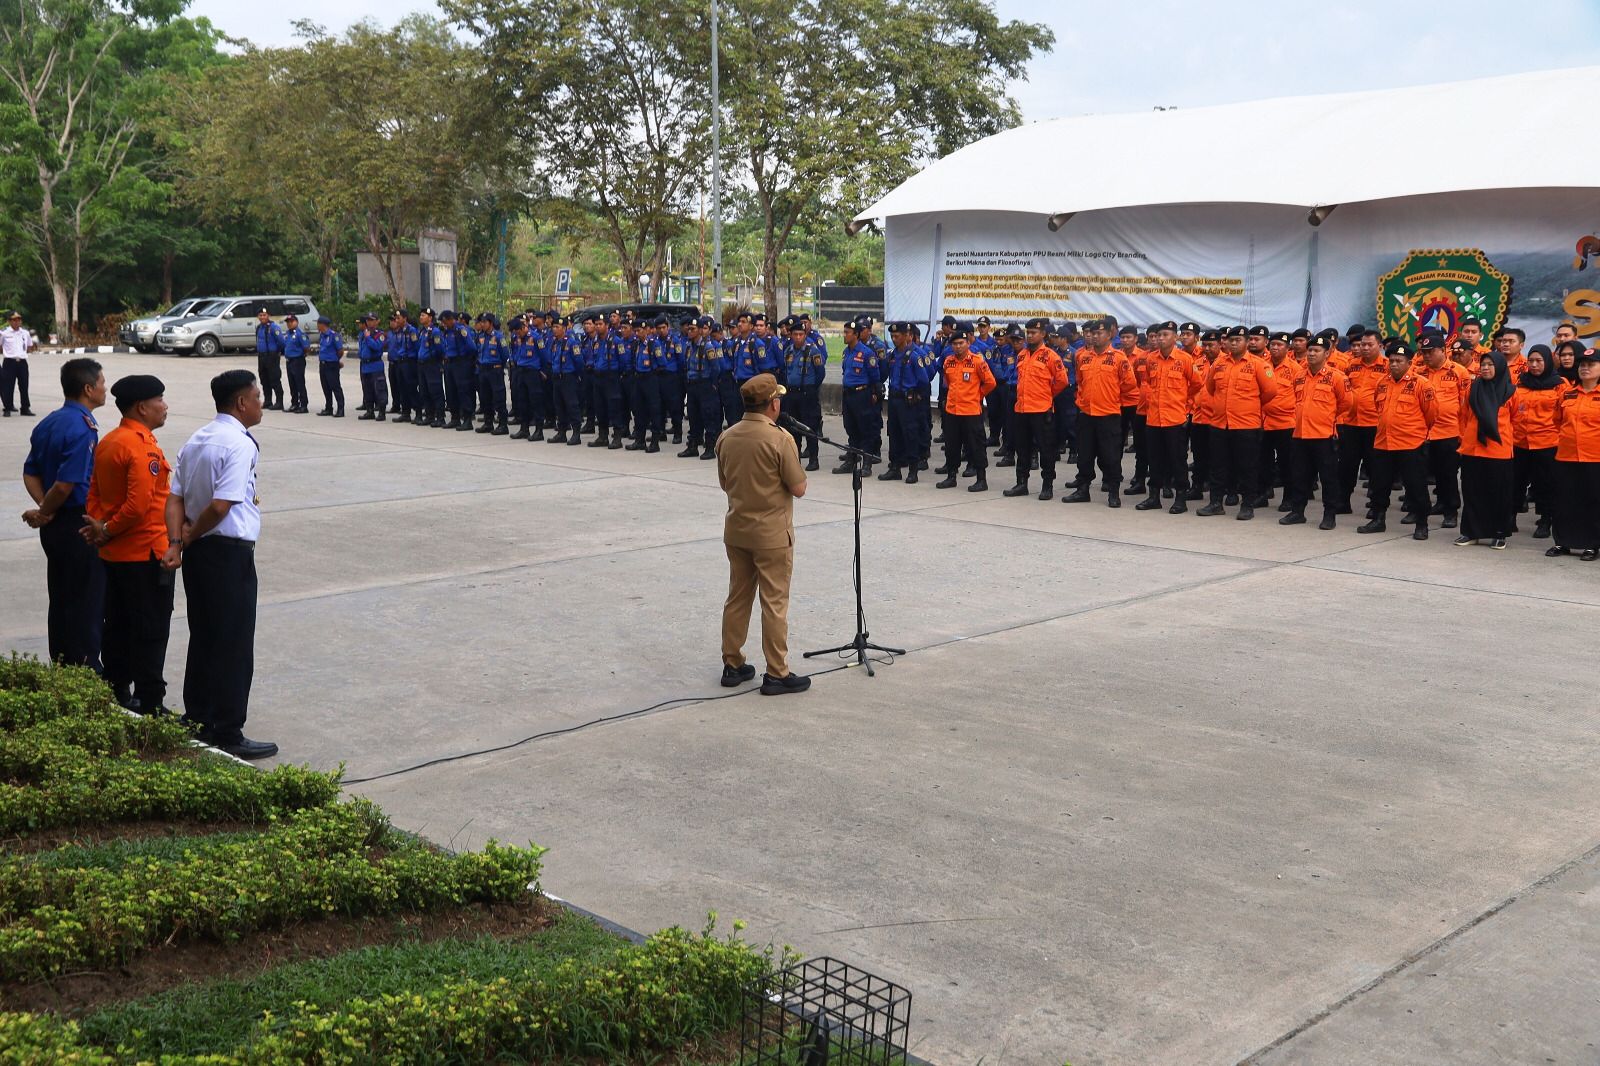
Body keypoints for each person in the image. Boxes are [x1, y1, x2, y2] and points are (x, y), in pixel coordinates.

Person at [167, 369, 276, 759]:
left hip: (199, 554)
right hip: (227, 553)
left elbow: (175, 498)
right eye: (257, 397)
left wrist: (178, 541)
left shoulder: (197, 438)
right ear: (241, 403)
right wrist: (190, 536)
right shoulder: (239, 444)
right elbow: (220, 505)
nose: (261, 404)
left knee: (205, 635)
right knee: (233, 642)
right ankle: (228, 729)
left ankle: (198, 717)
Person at [82, 374, 175, 713]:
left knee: (118, 625)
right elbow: (138, 507)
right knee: (151, 629)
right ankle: (151, 700)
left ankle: (117, 690)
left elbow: (94, 493)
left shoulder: (109, 441)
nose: (165, 406)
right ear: (142, 407)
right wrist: (106, 529)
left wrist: (100, 527)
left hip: (114, 555)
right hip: (145, 553)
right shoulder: (140, 446)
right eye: (159, 400)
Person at [716, 373, 809, 696]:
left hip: (737, 530)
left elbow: (725, 483)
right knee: (774, 603)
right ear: (773, 404)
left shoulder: (727, 436)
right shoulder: (780, 439)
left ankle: (732, 663)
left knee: (737, 598)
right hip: (771, 535)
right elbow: (799, 487)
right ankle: (777, 672)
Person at [21, 357, 106, 668]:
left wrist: (45, 512)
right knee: (86, 600)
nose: (105, 388)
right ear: (88, 389)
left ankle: (61, 665)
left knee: (61, 597)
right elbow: (66, 484)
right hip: (77, 523)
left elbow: (30, 473)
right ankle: (85, 669)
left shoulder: (49, 422)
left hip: (55, 523)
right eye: (102, 383)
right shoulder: (83, 428)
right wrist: (47, 508)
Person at [1359, 339, 1437, 539]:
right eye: (1391, 360)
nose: (1394, 364)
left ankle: (1421, 524)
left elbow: (1431, 414)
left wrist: (1416, 433)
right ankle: (1378, 519)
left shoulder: (1421, 384)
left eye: (1398, 361)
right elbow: (1379, 409)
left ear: (1409, 363)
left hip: (1410, 444)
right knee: (1380, 484)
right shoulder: (1382, 383)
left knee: (1416, 486)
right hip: (1383, 442)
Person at [1198, 327, 1279, 520]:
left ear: (1247, 342)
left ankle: (1247, 505)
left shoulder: (1258, 365)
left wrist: (1248, 406)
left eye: (1238, 340)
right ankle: (1216, 503)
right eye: (1231, 340)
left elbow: (1270, 392)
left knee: (1247, 467)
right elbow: (1210, 388)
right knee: (1218, 466)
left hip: (1246, 425)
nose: (1233, 343)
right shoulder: (1219, 364)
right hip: (1220, 424)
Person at [1064, 319, 1137, 506]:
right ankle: (1083, 490)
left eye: (1099, 333)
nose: (1094, 336)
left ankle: (1113, 492)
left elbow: (1128, 385)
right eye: (1092, 333)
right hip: (1086, 414)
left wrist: (1111, 399)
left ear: (1109, 335)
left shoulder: (1119, 358)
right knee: (1085, 455)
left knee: (1110, 456)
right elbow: (1080, 381)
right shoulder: (1083, 357)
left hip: (1108, 415)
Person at [1282, 334, 1349, 528]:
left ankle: (1329, 515)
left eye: (1316, 350)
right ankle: (1297, 511)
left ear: (1327, 353)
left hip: (1324, 436)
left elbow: (1346, 403)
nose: (1311, 353)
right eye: (1310, 350)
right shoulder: (1299, 376)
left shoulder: (1336, 377)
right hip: (1300, 434)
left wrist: (1326, 417)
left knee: (1328, 478)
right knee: (1299, 475)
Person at [1136, 321, 1201, 513]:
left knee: (1177, 459)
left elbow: (1196, 385)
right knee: (1154, 458)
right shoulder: (1151, 359)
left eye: (1165, 335)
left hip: (1175, 419)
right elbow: (1148, 382)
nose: (1161, 338)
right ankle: (1153, 496)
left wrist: (1184, 404)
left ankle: (1180, 497)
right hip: (1153, 418)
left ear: (1175, 337)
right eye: (1159, 335)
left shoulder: (1184, 359)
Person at [1454, 350, 1516, 549]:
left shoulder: (1511, 392)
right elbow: (1463, 416)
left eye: (1490, 365)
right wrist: (1466, 437)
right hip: (1473, 449)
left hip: (1499, 451)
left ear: (1500, 367)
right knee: (1472, 492)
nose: (1486, 368)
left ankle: (1499, 533)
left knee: (1498, 494)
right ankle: (1471, 532)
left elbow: (1517, 420)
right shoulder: (1473, 389)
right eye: (1483, 365)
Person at [1005, 318, 1069, 500]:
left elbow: (1062, 381)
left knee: (1046, 449)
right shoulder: (1022, 354)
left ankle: (1047, 485)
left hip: (1041, 410)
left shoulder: (1051, 356)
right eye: (1028, 332)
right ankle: (1021, 483)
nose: (1030, 336)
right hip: (1022, 409)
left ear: (1043, 334)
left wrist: (1046, 395)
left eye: (1034, 332)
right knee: (1022, 448)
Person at [1548, 348, 1600, 562]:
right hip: (1566, 456)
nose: (1585, 368)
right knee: (1564, 500)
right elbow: (1557, 420)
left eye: (1591, 364)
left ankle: (1591, 544)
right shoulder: (1568, 393)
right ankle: (1562, 542)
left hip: (1594, 457)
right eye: (1582, 365)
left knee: (1592, 500)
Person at [1417, 331, 1472, 528]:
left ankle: (1451, 510)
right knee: (1424, 473)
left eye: (1430, 351)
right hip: (1423, 432)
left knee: (1448, 474)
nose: (1426, 355)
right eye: (1424, 352)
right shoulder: (1419, 372)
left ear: (1443, 350)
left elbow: (1466, 405)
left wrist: (1463, 434)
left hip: (1449, 431)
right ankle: (1434, 505)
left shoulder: (1459, 372)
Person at [935, 323, 996, 492]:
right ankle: (951, 476)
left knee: (976, 445)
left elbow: (990, 382)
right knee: (952, 445)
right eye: (955, 344)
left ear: (968, 343)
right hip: (952, 410)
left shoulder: (977, 361)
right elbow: (948, 382)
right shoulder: (949, 362)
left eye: (961, 343)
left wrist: (978, 395)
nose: (958, 346)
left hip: (971, 411)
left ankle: (981, 479)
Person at [1512, 344, 1563, 539]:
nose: (1534, 365)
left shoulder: (1559, 384)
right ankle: (1511, 517)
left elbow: (1564, 414)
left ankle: (1545, 520)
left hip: (1547, 442)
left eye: (1539, 361)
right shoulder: (1520, 382)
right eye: (1531, 361)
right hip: (1520, 441)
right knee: (1515, 482)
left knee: (1545, 484)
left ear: (1547, 362)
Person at [1, 310, 38, 416]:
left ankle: (25, 408)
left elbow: (29, 346)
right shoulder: (4, 333)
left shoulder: (25, 333)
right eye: (14, 320)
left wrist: (22, 353)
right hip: (9, 362)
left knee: (24, 385)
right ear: (9, 321)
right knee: (8, 386)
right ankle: (7, 408)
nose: (17, 322)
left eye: (19, 319)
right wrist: (8, 353)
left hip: (22, 362)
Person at [356, 313, 389, 421]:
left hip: (375, 365)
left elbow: (377, 346)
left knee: (379, 389)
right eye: (368, 320)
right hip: (365, 365)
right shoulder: (363, 333)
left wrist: (368, 337)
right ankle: (369, 411)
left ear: (377, 321)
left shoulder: (379, 334)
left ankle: (382, 412)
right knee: (367, 389)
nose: (369, 322)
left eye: (372, 320)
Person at [253, 309, 285, 411]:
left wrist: (277, 352)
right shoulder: (259, 327)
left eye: (264, 315)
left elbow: (281, 342)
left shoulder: (273, 327)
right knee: (264, 379)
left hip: (271, 356)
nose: (262, 317)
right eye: (260, 315)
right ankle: (268, 401)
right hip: (261, 356)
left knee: (274, 378)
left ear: (268, 316)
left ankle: (279, 402)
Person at [314, 315, 345, 417]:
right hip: (323, 364)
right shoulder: (322, 335)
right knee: (325, 387)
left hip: (331, 365)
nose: (317, 326)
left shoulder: (333, 335)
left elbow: (340, 351)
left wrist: (335, 360)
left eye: (318, 324)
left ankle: (340, 409)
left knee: (335, 386)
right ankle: (328, 408)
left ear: (322, 325)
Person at [281, 314, 310, 414]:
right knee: (292, 383)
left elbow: (306, 347)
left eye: (291, 321)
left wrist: (301, 355)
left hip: (297, 360)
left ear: (296, 322)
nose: (289, 324)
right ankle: (294, 404)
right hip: (289, 361)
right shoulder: (287, 334)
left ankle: (304, 405)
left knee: (299, 383)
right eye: (288, 322)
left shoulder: (300, 334)